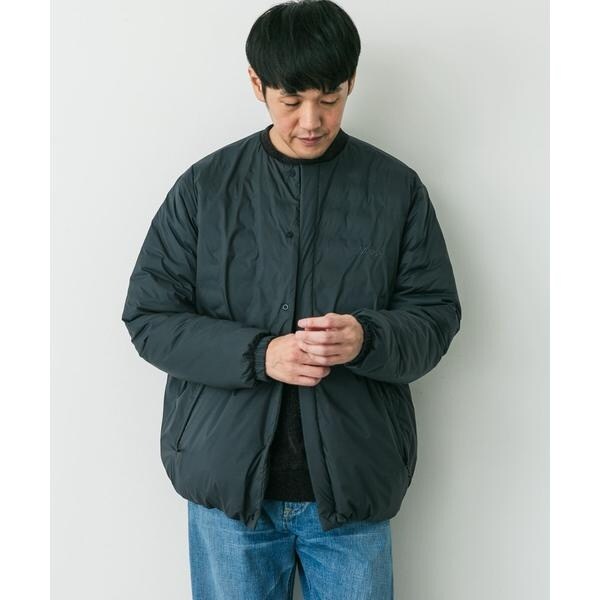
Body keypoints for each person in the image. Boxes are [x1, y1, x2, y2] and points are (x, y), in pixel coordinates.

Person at [121, 1, 462, 598]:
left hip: (353, 494)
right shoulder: (205, 188)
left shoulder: (396, 189)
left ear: (351, 83)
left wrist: (368, 338)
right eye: (292, 100)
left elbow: (435, 317)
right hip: (230, 496)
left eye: (329, 98)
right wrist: (260, 355)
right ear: (257, 84)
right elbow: (150, 318)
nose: (312, 120)